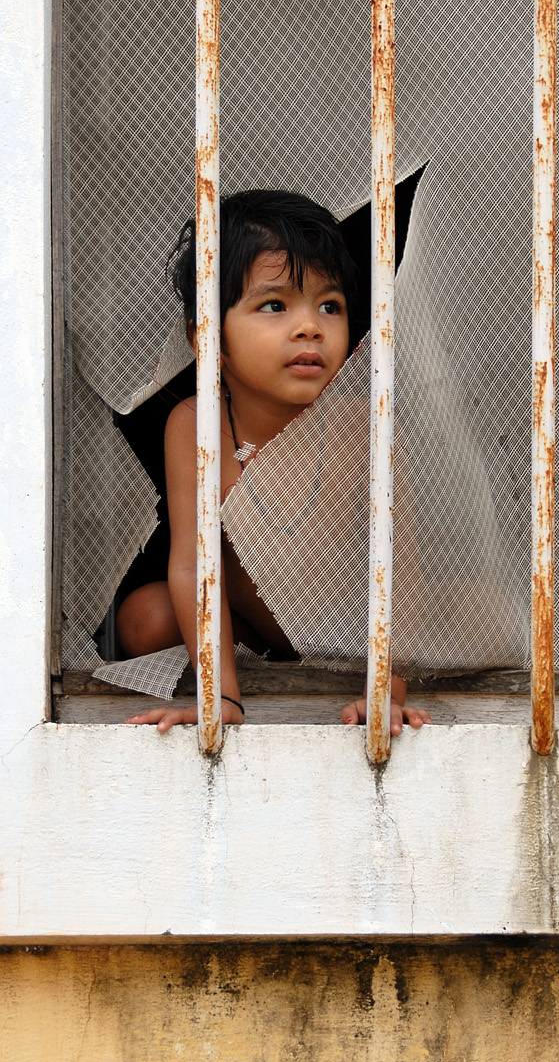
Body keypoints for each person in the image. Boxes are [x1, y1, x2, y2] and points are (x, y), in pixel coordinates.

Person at [124, 190, 431, 734]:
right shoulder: (195, 426)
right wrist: (220, 698)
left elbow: (400, 569)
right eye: (274, 306)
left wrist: (385, 691)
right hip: (258, 632)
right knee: (142, 619)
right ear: (208, 337)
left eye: (330, 306)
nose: (310, 327)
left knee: (477, 611)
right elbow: (193, 565)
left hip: (352, 635)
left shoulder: (361, 425)